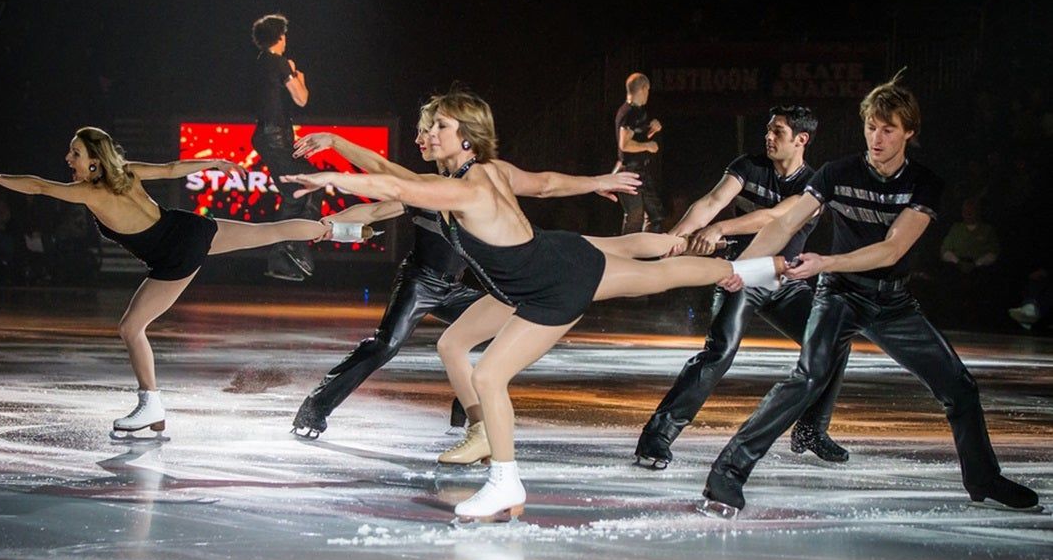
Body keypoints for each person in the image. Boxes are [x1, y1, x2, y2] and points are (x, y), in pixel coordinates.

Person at [283, 86, 788, 522]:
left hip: (549, 287)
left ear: (466, 137)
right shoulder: (486, 172)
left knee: (490, 375)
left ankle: (505, 483)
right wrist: (338, 146)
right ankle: (753, 269)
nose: (430, 132)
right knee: (640, 273)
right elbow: (534, 183)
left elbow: (395, 183)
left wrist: (333, 178)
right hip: (548, 261)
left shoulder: (466, 189)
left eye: (440, 126)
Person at [701, 75, 1039, 518]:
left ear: (909, 132)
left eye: (888, 129)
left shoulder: (923, 184)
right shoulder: (837, 173)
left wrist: (827, 262)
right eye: (871, 127)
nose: (876, 138)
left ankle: (983, 479)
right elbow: (784, 224)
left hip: (892, 303)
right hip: (839, 297)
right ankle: (727, 473)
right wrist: (742, 269)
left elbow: (892, 249)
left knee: (959, 387)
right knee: (808, 377)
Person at [0, 126, 379, 440]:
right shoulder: (125, 173)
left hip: (173, 253)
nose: (67, 158)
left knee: (131, 328)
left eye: (75, 153)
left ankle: (151, 407)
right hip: (188, 228)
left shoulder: (90, 193)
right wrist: (213, 163)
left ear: (93, 162)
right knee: (268, 232)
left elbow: (38, 186)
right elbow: (170, 169)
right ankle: (342, 231)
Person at [289, 118, 641, 442]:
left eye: (429, 131)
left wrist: (598, 182)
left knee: (506, 335)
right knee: (386, 344)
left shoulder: (483, 180)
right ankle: (315, 408)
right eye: (420, 132)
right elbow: (375, 209)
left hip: (455, 287)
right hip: (420, 282)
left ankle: (470, 416)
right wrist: (330, 224)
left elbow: (545, 184)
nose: (421, 139)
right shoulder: (424, 188)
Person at [635, 106, 851, 469]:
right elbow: (711, 202)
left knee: (835, 340)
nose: (768, 137)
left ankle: (812, 429)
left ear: (801, 139)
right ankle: (657, 435)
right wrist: (674, 239)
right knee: (719, 351)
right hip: (740, 273)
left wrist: (720, 228)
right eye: (768, 129)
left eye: (777, 132)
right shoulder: (748, 166)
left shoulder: (815, 185)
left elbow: (775, 217)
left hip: (785, 281)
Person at [250, 13, 322, 281]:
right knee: (307, 185)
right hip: (274, 135)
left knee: (298, 191)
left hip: (269, 134)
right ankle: (292, 247)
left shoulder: (260, 62)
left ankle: (285, 255)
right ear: (280, 37)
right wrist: (298, 76)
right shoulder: (279, 62)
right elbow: (302, 99)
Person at [614, 73, 664, 234]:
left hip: (639, 170)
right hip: (630, 170)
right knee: (635, 217)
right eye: (647, 90)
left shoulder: (638, 112)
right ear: (643, 89)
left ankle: (647, 247)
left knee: (655, 216)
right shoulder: (629, 112)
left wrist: (651, 130)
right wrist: (648, 146)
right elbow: (625, 144)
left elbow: (637, 137)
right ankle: (626, 248)